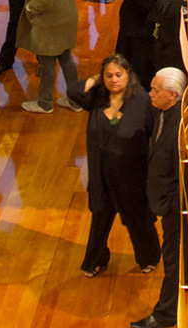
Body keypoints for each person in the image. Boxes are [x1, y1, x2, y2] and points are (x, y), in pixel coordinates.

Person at [67, 54, 161, 278]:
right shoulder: (97, 98)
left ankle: (149, 257)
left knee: (138, 218)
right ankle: (97, 259)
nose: (114, 80)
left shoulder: (142, 101)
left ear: (129, 74)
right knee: (100, 217)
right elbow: (74, 92)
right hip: (102, 174)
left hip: (132, 176)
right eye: (108, 76)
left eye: (119, 75)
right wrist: (96, 79)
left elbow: (155, 136)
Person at [131, 66, 187, 328]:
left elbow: (183, 176)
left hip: (175, 209)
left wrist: (171, 206)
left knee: (174, 262)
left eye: (156, 90)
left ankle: (166, 316)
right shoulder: (163, 112)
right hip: (163, 202)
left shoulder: (181, 130)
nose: (150, 94)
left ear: (173, 96)